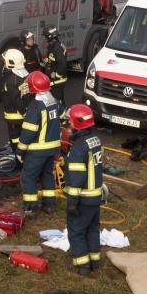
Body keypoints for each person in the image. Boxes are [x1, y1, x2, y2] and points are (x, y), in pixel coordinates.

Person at [64, 104, 104, 275]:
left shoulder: (78, 148)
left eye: (70, 122)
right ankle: (95, 261)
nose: (68, 125)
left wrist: (72, 202)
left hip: (83, 198)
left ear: (77, 123)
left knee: (76, 231)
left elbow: (77, 178)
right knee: (93, 228)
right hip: (96, 196)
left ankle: (83, 266)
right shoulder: (95, 140)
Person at [17, 71, 62, 214]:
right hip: (53, 148)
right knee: (47, 175)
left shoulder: (35, 106)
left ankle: (30, 208)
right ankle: (50, 205)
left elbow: (29, 132)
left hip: (37, 150)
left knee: (29, 177)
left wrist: (20, 150)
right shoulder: (54, 101)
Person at [0, 48, 31, 155]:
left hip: (14, 117)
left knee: (15, 140)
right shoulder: (25, 75)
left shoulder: (11, 80)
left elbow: (15, 100)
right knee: (24, 138)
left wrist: (23, 112)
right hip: (24, 114)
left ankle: (19, 161)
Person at [41, 26, 68, 106]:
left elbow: (62, 64)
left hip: (57, 82)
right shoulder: (54, 45)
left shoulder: (57, 48)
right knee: (59, 101)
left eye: (46, 37)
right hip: (56, 81)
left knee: (56, 102)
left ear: (50, 37)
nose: (45, 39)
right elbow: (54, 59)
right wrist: (46, 62)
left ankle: (60, 117)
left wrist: (56, 74)